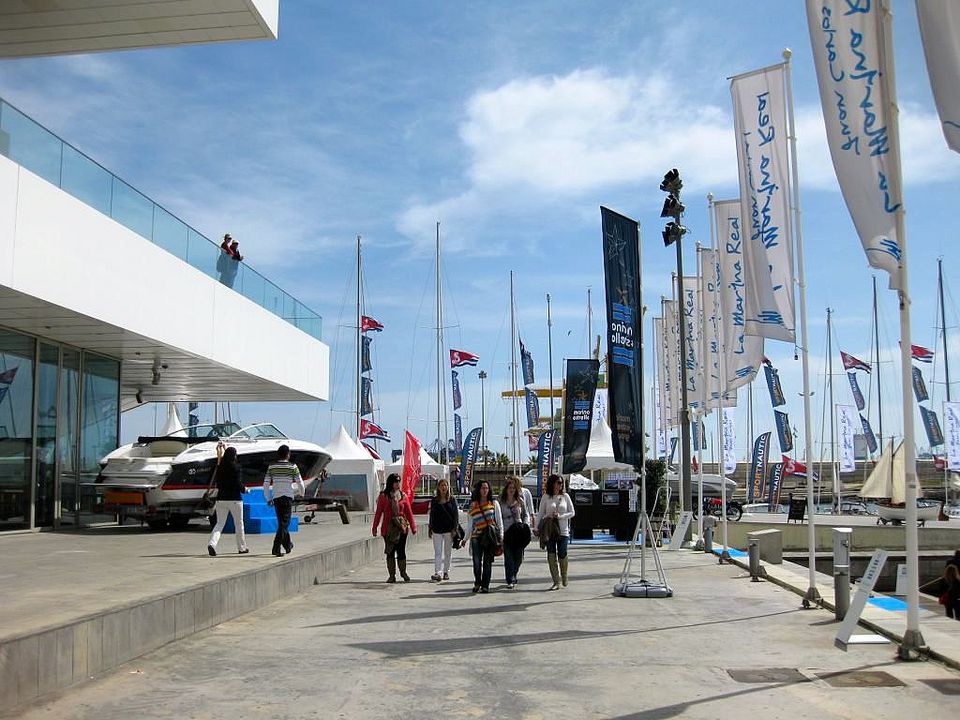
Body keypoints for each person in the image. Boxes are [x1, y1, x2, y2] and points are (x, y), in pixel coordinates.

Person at [372, 473, 416, 582]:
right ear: (390, 483)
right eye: (396, 482)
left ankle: (403, 572)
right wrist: (374, 527)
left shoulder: (403, 495)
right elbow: (378, 513)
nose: (397, 484)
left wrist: (413, 527)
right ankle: (392, 575)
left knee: (401, 551)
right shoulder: (383, 496)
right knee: (390, 552)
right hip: (388, 529)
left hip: (401, 528)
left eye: (398, 482)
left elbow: (409, 512)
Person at [206, 443, 249, 556]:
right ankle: (242, 547)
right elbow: (238, 484)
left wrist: (222, 450)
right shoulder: (237, 468)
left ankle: (212, 544)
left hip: (221, 499)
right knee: (239, 524)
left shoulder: (219, 468)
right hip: (235, 499)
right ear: (234, 456)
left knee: (219, 524)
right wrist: (245, 490)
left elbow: (222, 460)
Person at [535, 474, 575, 590]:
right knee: (551, 554)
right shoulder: (546, 497)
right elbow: (541, 513)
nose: (560, 485)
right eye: (558, 482)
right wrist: (536, 527)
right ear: (552, 483)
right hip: (550, 530)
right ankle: (556, 581)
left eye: (561, 483)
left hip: (563, 530)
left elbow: (572, 512)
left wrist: (561, 516)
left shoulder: (565, 496)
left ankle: (564, 575)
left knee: (562, 553)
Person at [263, 444, 304, 557]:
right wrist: (302, 493)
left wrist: (267, 498)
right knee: (284, 523)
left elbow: (266, 484)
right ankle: (276, 547)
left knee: (282, 522)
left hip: (276, 497)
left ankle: (288, 545)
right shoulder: (292, 467)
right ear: (288, 454)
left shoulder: (272, 467)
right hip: (287, 497)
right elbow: (300, 482)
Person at [467, 479, 502, 593]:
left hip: (489, 536)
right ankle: (477, 582)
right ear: (479, 490)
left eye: (486, 488)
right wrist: (465, 539)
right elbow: (470, 524)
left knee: (487, 561)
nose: (485, 490)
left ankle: (485, 585)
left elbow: (499, 521)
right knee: (477, 561)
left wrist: (501, 535)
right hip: (476, 537)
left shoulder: (493, 503)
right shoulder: (473, 505)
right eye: (483, 488)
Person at [500, 476, 530, 589]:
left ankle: (514, 573)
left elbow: (525, 515)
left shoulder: (520, 501)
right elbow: (498, 517)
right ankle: (510, 578)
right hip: (507, 531)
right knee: (508, 557)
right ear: (506, 489)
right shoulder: (501, 502)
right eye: (509, 487)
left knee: (518, 557)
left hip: (518, 532)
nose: (511, 489)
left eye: (513, 487)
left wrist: (526, 525)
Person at [428, 477, 458, 581]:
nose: (444, 487)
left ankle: (446, 572)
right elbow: (431, 515)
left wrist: (455, 528)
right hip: (437, 529)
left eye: (445, 485)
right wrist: (430, 527)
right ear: (438, 488)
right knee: (438, 552)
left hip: (449, 530)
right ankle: (438, 572)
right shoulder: (434, 500)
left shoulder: (452, 500)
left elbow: (455, 515)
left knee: (448, 552)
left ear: (448, 487)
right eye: (442, 485)